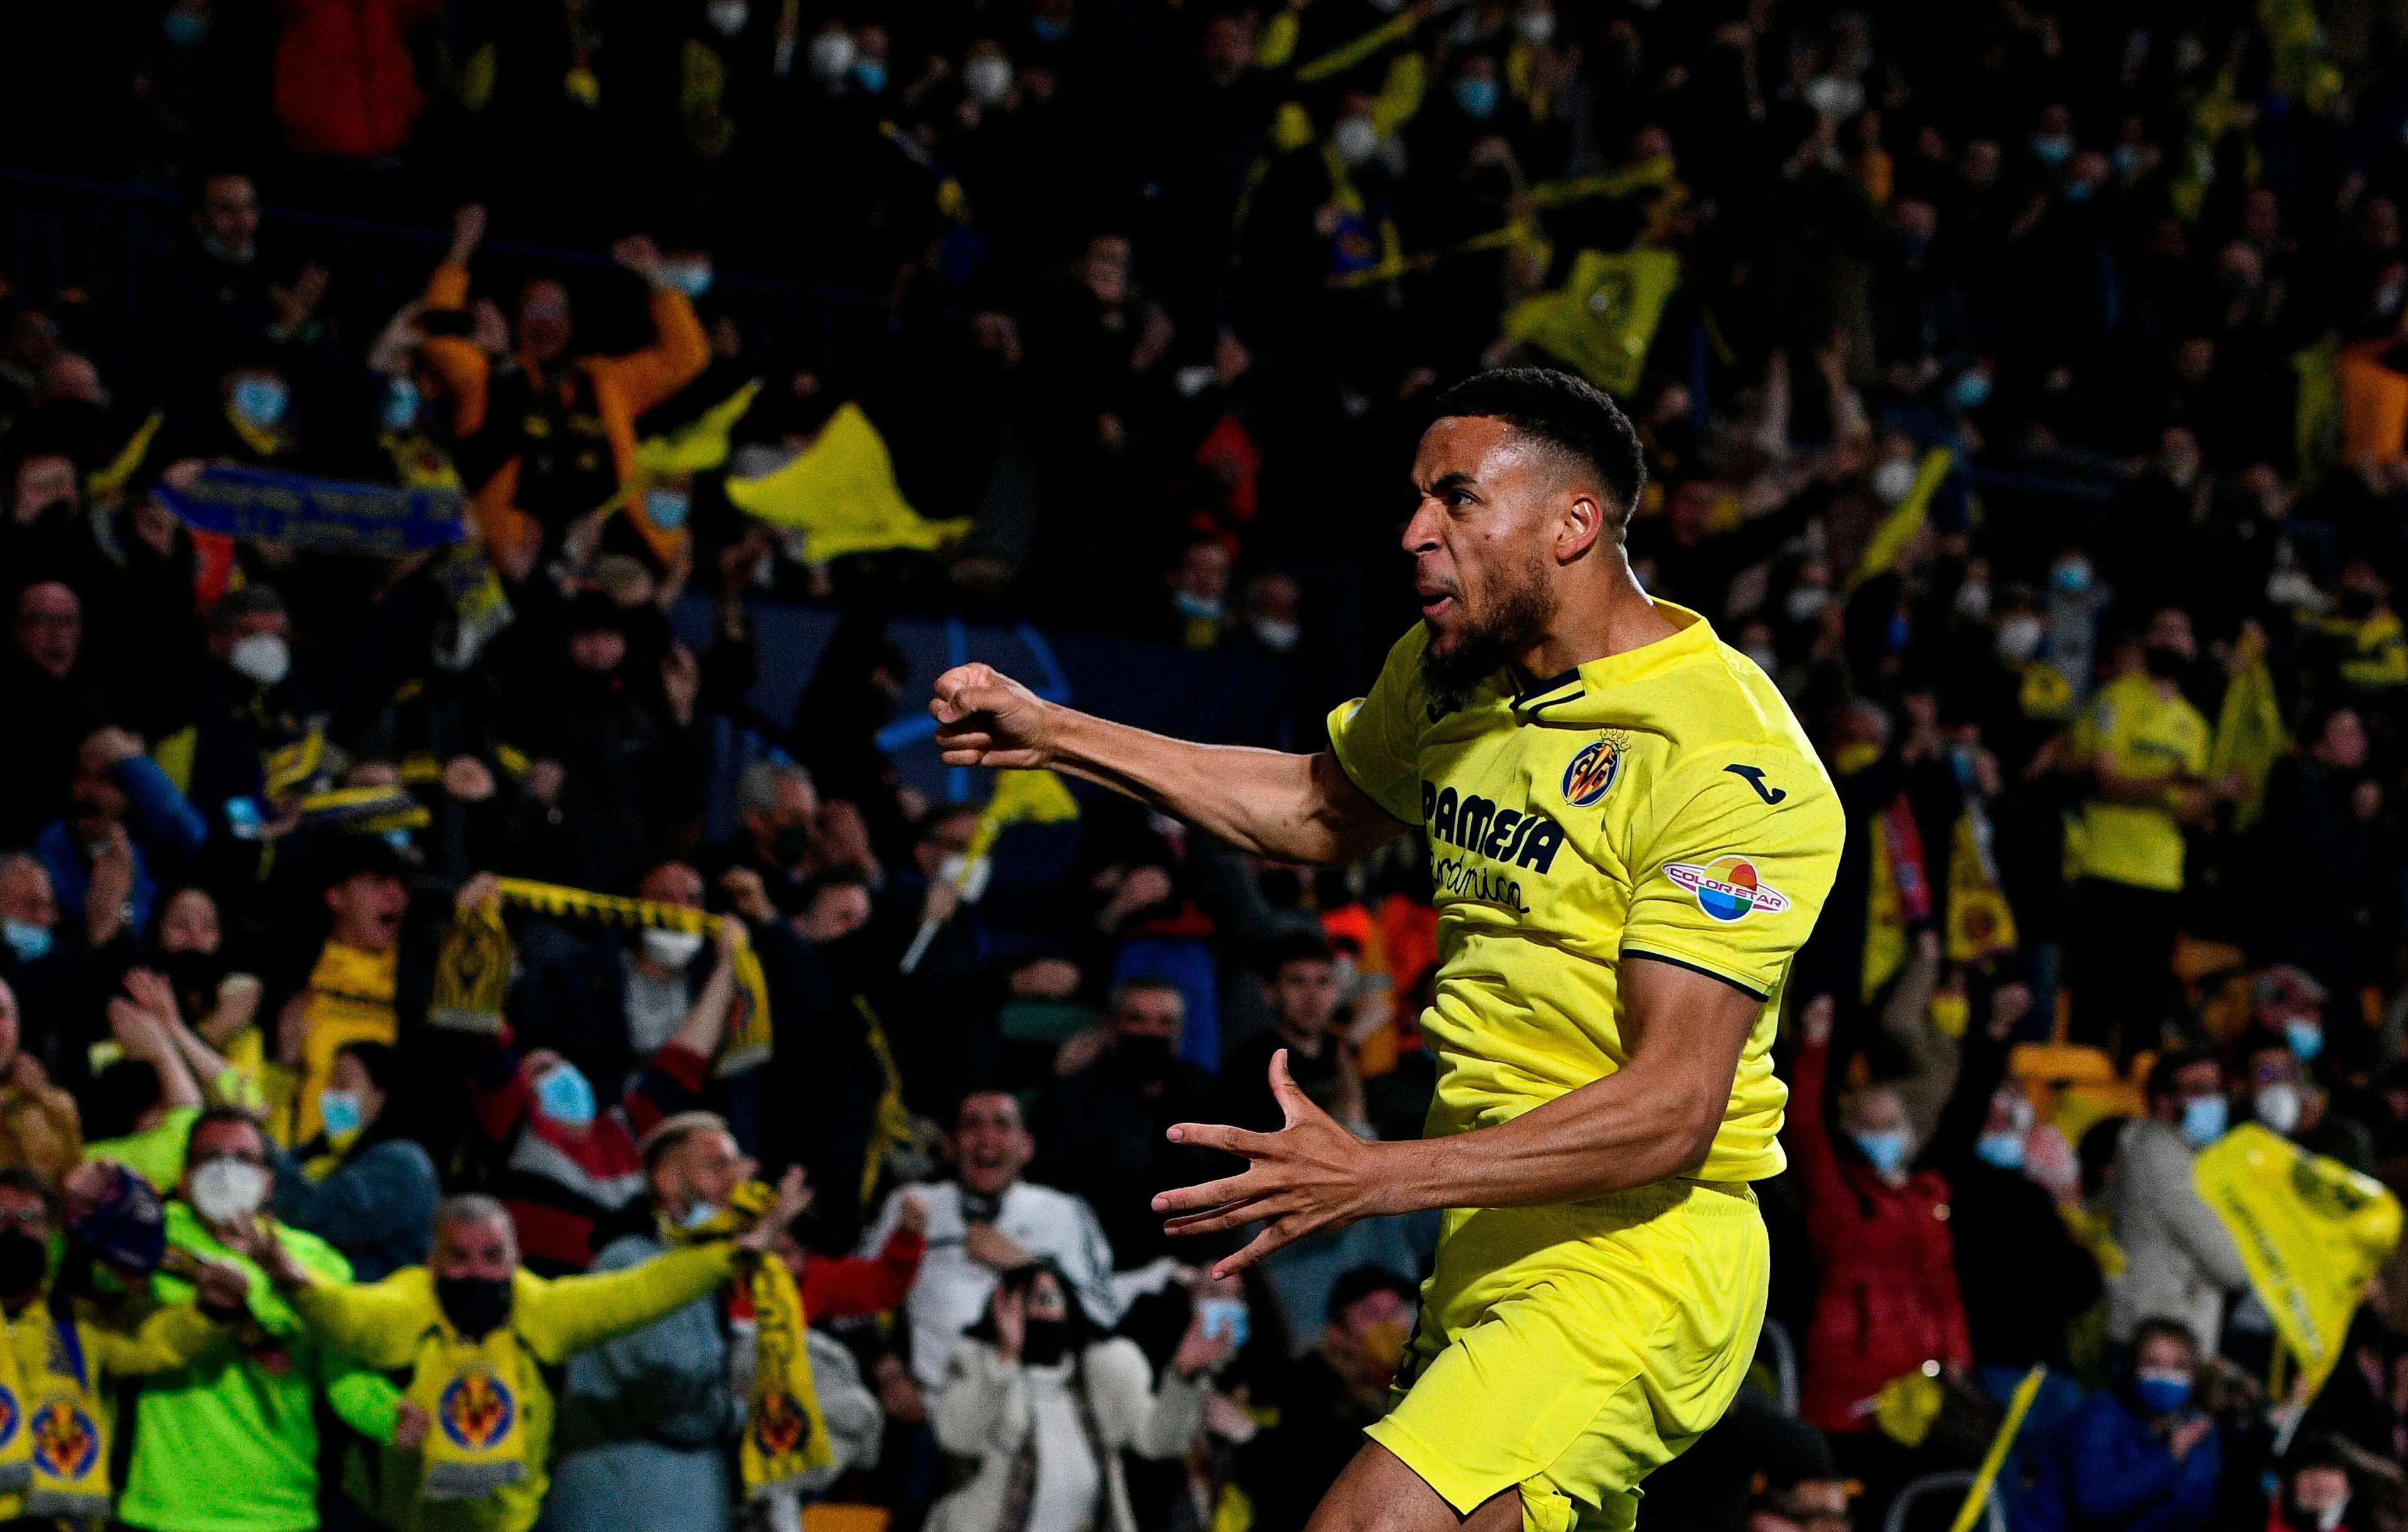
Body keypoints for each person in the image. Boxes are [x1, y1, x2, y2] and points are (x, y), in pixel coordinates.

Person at [928, 367, 1844, 1531]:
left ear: (1575, 525)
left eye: (1458, 500)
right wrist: (1057, 732)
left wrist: (1372, 1175)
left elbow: (1672, 1104)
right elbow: (1322, 807)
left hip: (1640, 1252)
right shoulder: (1455, 670)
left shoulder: (1726, 755)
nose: (1415, 532)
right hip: (1483, 1236)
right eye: (1417, 499)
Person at [237, 1181, 805, 1532]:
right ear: (432, 1259)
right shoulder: (409, 1299)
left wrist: (733, 1255)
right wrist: (298, 1287)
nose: (478, 1272)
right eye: (459, 1258)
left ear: (518, 1256)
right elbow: (353, 1316)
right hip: (395, 1523)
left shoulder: (542, 1308)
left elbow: (638, 1291)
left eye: (493, 1256)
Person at [117, 1108, 424, 1532]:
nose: (227, 1170)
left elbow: (342, 1373)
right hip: (165, 1507)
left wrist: (388, 1413)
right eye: (211, 1157)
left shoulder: (315, 1259)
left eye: (243, 1158)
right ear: (184, 1178)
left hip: (278, 1507)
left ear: (268, 1181)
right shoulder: (150, 1240)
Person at [551, 1113, 833, 1532]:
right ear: (665, 1180)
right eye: (717, 1166)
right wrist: (745, 1412)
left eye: (736, 1166)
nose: (734, 1182)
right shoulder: (629, 1264)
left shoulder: (701, 1270)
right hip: (628, 1504)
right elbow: (674, 1400)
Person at [1786, 996, 1972, 1490]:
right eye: (1867, 1124)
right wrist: (1815, 1045)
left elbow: (1943, 1284)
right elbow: (1802, 1123)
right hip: (1845, 1381)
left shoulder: (1926, 1197)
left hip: (1915, 1388)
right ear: (1848, 1131)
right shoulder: (1834, 1189)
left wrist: (1956, 1356)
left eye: (1889, 1124)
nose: (1879, 1134)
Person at [0, 1166, 253, 1521]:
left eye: (28, 1216)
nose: (12, 1227)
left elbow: (154, 1344)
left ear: (52, 1231)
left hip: (61, 1519)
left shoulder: (79, 1321)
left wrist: (208, 1311)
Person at [925, 1259, 1225, 1532]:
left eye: (1048, 1298)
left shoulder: (1103, 1372)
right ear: (1000, 1307)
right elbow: (957, 1438)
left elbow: (1161, 1443)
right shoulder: (975, 1364)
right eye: (1025, 1299)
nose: (1036, 1310)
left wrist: (1183, 1376)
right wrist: (1005, 1358)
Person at [859, 1089, 1120, 1392]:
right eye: (972, 1126)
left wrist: (1029, 1265)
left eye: (1002, 1125)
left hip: (1039, 1399)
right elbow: (853, 1306)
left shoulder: (1063, 1213)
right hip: (935, 1402)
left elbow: (1103, 1319)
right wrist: (888, 1372)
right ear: (949, 1146)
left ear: (1027, 1146)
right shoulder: (913, 1205)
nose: (986, 1140)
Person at [1030, 979, 1225, 1271]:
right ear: (1113, 1025)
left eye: (1165, 1022)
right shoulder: (1075, 1097)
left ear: (1180, 1030)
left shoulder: (1206, 1094)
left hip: (1194, 1265)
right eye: (1138, 1019)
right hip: (1098, 1264)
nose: (1152, 1032)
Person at [1240, 1266, 1420, 1532]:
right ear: (1339, 1331)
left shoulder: (1426, 1379)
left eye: (1395, 1313)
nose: (1388, 1326)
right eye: (1372, 1314)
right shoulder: (1310, 1393)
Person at [2015, 1318, 2222, 1532]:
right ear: (2132, 1368)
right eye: (2153, 1363)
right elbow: (2094, 1506)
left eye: (2179, 1366)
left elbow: (2196, 1512)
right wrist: (2169, 1457)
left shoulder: (2196, 1426)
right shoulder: (2100, 1416)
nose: (2166, 1376)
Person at [2107, 1050, 2251, 1355]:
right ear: (2164, 1102)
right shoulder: (2165, 1164)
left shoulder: (2167, 1151)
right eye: (2199, 1091)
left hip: (2162, 1334)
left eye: (2217, 1090)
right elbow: (2232, 1265)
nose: (2214, 1101)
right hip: (2157, 1345)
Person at [268, 1039, 441, 1280]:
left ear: (379, 1097)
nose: (330, 1094)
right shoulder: (323, 1150)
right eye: (330, 1082)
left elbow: (316, 1217)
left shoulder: (402, 1165)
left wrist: (264, 1150)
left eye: (343, 1083)